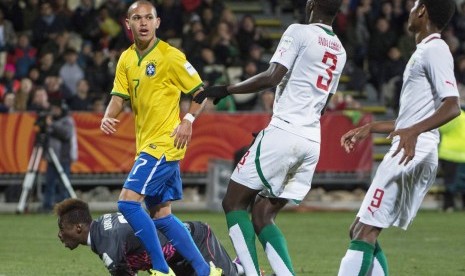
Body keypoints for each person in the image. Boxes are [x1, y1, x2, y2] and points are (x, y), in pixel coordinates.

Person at [193, 1, 347, 275]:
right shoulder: (340, 51)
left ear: (311, 4)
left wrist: (226, 89)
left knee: (233, 202)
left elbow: (272, 77)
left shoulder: (299, 31)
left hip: (286, 131)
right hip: (311, 140)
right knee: (263, 215)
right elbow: (323, 104)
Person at [336, 1, 460, 275]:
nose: (410, 11)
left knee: (364, 231)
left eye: (414, 5)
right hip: (411, 146)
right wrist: (370, 128)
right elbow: (410, 121)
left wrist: (414, 131)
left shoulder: (436, 50)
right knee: (358, 229)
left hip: (411, 151)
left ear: (423, 11)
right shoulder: (425, 51)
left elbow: (452, 105)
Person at [99, 1, 220, 276]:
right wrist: (108, 115)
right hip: (148, 144)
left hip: (164, 143)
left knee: (127, 202)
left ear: (158, 22)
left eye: (148, 18)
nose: (143, 23)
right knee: (161, 216)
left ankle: (161, 269)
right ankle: (205, 271)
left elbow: (200, 91)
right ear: (127, 23)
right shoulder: (126, 58)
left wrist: (188, 120)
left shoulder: (170, 55)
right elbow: (119, 95)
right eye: (137, 18)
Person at [54, 198, 242, 276]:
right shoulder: (102, 227)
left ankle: (243, 268)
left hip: (196, 243)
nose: (60, 235)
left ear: (78, 228)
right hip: (177, 261)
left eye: (62, 228)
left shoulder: (106, 243)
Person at [42, 100, 78, 212]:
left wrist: (51, 125)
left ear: (62, 109)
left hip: (63, 158)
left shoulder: (67, 120)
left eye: (57, 109)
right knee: (49, 184)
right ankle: (47, 206)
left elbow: (66, 134)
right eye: (53, 109)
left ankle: (65, 209)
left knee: (64, 185)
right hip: (52, 158)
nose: (55, 111)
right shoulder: (51, 121)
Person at [439, 110, 465, 211]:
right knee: (459, 182)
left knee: (449, 182)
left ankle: (448, 206)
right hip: (457, 154)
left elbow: (443, 128)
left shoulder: (453, 114)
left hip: (450, 153)